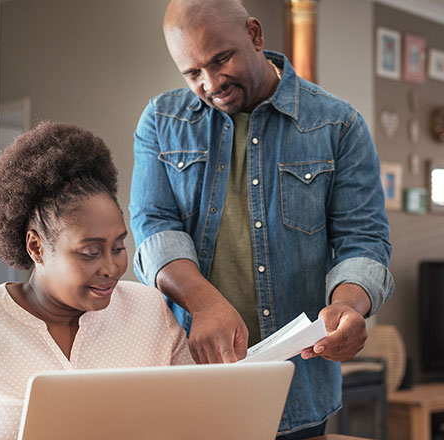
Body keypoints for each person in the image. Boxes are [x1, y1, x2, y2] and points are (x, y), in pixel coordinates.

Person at [129, 0, 395, 437]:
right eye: (192, 73)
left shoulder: (338, 125)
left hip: (298, 385)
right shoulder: (161, 121)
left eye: (220, 60)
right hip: (187, 378)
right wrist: (205, 304)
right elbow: (154, 228)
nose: (211, 83)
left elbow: (363, 240)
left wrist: (348, 306)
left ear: (255, 34)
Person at [0, 122, 193, 439]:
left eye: (118, 247)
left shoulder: (149, 311)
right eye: (91, 252)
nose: (111, 267)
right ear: (37, 247)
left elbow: (197, 418)